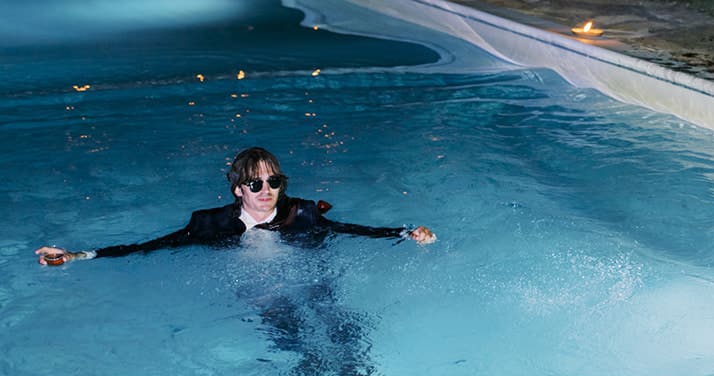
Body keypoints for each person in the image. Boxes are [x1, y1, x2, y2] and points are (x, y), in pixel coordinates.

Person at [35, 146, 436, 264]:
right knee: (285, 326)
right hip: (262, 292)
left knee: (336, 320)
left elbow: (351, 230)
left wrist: (406, 232)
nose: (266, 190)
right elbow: (149, 247)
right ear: (238, 191)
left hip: (310, 278)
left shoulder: (301, 214)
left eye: (274, 182)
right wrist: (78, 255)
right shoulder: (211, 225)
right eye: (255, 183)